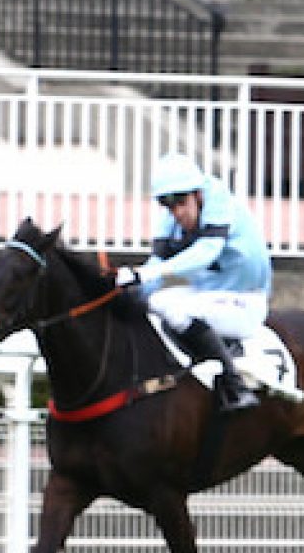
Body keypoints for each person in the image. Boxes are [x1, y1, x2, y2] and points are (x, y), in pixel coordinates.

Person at [115, 153, 272, 415]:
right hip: (210, 296)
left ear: (198, 194)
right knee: (153, 303)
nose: (177, 212)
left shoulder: (222, 208)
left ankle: (236, 386)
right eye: (168, 205)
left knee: (177, 311)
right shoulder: (173, 218)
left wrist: (143, 274)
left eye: (181, 202)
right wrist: (124, 289)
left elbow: (205, 253)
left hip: (247, 302)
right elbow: (156, 266)